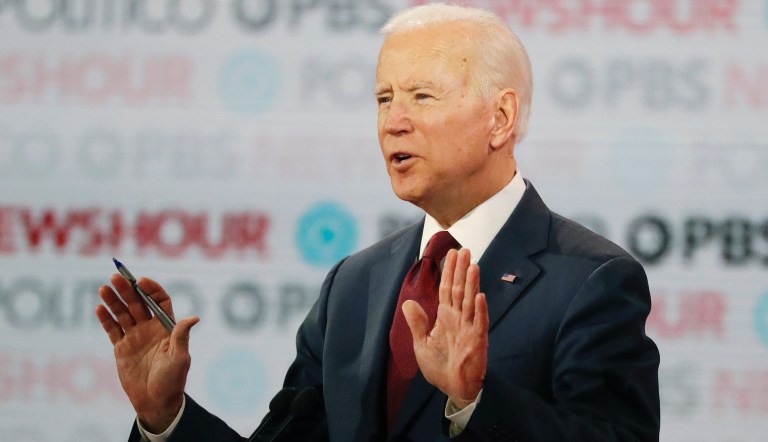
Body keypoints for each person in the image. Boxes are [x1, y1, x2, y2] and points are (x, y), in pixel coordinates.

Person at [96, 3, 660, 441]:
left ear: (500, 118)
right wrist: (166, 417)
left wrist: (474, 402)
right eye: (384, 98)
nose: (394, 121)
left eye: (422, 96)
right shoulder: (355, 284)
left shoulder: (590, 278)